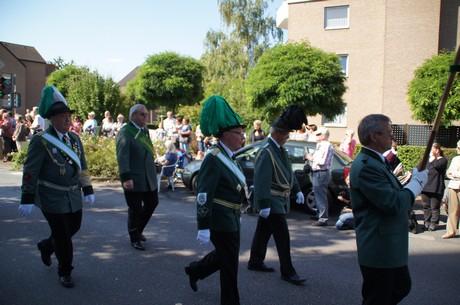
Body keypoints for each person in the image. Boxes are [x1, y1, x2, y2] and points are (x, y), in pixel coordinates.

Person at [18, 85, 95, 288]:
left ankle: (46, 246)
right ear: (52, 118)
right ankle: (65, 271)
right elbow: (30, 171)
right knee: (63, 236)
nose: (67, 120)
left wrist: (87, 188)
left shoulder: (75, 140)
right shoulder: (41, 141)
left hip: (73, 195)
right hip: (51, 196)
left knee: (74, 227)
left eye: (69, 116)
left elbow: (83, 166)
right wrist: (27, 197)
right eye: (62, 116)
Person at [349, 114, 428, 305]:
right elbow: (393, 203)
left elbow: (392, 191)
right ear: (374, 136)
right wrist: (416, 185)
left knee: (400, 287)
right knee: (378, 298)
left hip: (387, 245)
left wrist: (411, 182)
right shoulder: (367, 166)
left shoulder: (377, 161)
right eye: (388, 133)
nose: (392, 137)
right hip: (379, 247)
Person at [185, 95, 247, 305]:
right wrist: (203, 225)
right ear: (226, 134)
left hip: (232, 217)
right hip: (220, 220)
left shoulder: (229, 156)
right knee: (230, 264)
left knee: (225, 256)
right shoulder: (214, 157)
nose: (243, 137)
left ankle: (195, 269)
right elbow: (203, 193)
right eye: (239, 133)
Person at [247, 105, 307, 286]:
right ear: (278, 133)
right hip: (272, 201)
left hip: (279, 199)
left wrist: (297, 190)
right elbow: (261, 180)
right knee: (283, 237)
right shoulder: (266, 151)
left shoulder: (279, 150)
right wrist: (263, 204)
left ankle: (255, 261)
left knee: (263, 232)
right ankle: (288, 271)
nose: (288, 136)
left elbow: (288, 172)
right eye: (287, 133)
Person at [116, 104, 159, 251]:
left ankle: (138, 230)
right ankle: (134, 237)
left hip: (148, 177)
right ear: (133, 115)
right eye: (143, 114)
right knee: (134, 209)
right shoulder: (125, 132)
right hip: (133, 178)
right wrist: (126, 177)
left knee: (152, 203)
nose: (146, 117)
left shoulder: (144, 130)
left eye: (146, 114)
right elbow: (123, 156)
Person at [305, 127, 334, 226]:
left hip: (321, 172)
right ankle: (319, 215)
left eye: (318, 134)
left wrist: (310, 157)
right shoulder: (321, 145)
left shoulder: (326, 145)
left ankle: (323, 219)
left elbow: (322, 162)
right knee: (318, 195)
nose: (316, 136)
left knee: (320, 195)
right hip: (318, 172)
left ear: (324, 136)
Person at [419, 143, 447, 232]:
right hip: (426, 186)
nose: (430, 151)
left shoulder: (443, 160)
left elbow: (437, 166)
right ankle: (426, 222)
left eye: (432, 149)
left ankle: (434, 223)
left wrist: (433, 158)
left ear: (437, 150)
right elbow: (419, 167)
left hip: (436, 187)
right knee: (425, 206)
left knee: (434, 207)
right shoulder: (428, 159)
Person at [442, 140, 460, 239]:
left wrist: (455, 174)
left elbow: (453, 174)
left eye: (458, 147)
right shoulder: (455, 159)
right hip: (453, 186)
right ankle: (451, 231)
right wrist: (456, 174)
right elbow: (449, 173)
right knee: (452, 210)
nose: (457, 149)